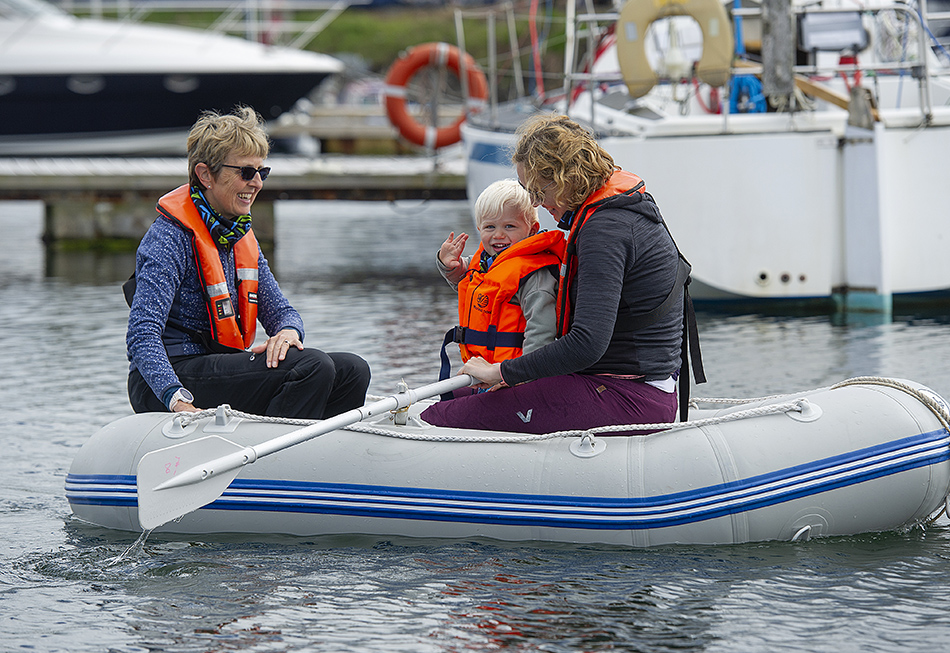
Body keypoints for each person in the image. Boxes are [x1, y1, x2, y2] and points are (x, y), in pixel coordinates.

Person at [421, 114, 704, 434]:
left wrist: (503, 372)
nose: (537, 203)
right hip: (619, 384)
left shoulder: (605, 230)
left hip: (630, 395)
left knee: (438, 419)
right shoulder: (622, 208)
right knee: (452, 394)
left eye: (538, 191)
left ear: (562, 177)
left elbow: (586, 344)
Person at [125, 106, 370, 418]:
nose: (256, 183)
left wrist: (287, 333)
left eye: (261, 172)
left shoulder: (240, 236)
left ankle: (313, 454)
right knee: (313, 366)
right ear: (205, 175)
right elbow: (142, 334)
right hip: (164, 382)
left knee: (353, 369)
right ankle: (274, 458)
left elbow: (282, 312)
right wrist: (175, 397)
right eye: (245, 172)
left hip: (219, 368)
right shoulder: (168, 238)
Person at [435, 179, 563, 389]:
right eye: (490, 227)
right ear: (479, 228)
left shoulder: (534, 275)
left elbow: (541, 331)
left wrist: (519, 376)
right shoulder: (486, 262)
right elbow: (469, 284)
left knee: (443, 413)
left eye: (509, 226)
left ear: (532, 229)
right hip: (482, 374)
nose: (498, 235)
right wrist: (449, 266)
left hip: (515, 378)